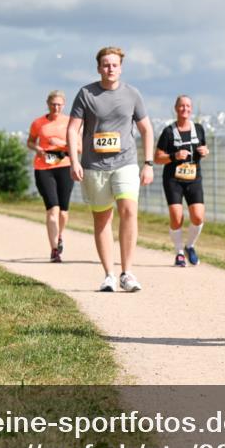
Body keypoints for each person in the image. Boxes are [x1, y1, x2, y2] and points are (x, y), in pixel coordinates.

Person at [67, 46, 155, 292]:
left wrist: (148, 163)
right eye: (106, 65)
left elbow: (147, 129)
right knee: (102, 219)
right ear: (98, 68)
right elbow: (73, 129)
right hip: (94, 166)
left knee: (128, 210)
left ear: (121, 68)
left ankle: (127, 273)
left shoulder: (132, 94)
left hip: (125, 162)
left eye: (114, 65)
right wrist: (74, 160)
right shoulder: (86, 94)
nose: (110, 69)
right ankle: (109, 274)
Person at [155, 95, 209, 266]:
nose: (185, 109)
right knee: (176, 217)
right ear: (176, 108)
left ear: (191, 109)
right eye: (181, 106)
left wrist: (205, 151)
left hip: (194, 177)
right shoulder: (169, 131)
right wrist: (174, 156)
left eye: (188, 106)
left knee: (198, 216)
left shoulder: (199, 129)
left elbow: (204, 148)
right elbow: (157, 157)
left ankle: (190, 246)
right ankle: (179, 252)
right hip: (173, 179)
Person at [28, 90, 75, 263]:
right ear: (48, 104)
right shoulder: (38, 123)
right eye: (53, 104)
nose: (56, 107)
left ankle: (59, 235)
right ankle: (54, 249)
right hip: (44, 167)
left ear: (64, 105)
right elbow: (30, 141)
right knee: (52, 209)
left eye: (59, 104)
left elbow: (79, 148)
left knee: (63, 212)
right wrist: (38, 149)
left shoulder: (70, 122)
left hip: (64, 165)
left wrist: (61, 144)